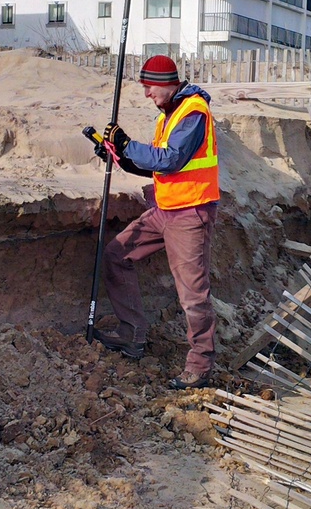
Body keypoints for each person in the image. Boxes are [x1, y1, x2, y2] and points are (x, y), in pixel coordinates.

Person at [94, 54, 219, 390]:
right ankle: (131, 335)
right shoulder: (169, 116)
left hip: (190, 213)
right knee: (116, 256)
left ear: (166, 84)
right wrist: (119, 155)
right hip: (166, 209)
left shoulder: (193, 112)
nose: (147, 94)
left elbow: (172, 160)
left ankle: (200, 366)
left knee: (193, 295)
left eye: (149, 87)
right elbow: (156, 166)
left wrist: (127, 144)